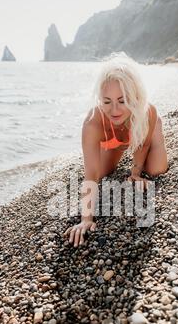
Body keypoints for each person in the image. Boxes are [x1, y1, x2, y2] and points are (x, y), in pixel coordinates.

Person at [64, 52, 168, 247]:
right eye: (107, 102)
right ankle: (121, 145)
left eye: (122, 100)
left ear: (135, 96)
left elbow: (142, 144)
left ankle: (157, 130)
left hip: (140, 132)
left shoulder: (147, 111)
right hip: (116, 140)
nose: (114, 110)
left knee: (156, 169)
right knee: (102, 172)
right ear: (100, 100)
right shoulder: (93, 122)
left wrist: (135, 172)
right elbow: (91, 175)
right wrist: (86, 219)